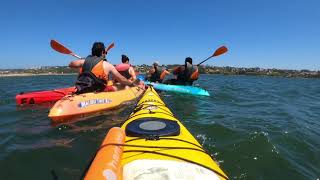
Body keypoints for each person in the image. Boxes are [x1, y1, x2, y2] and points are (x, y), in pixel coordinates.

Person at [68, 42, 138, 94]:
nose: (105, 54)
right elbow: (121, 79)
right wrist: (131, 84)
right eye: (105, 53)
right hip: (99, 90)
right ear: (102, 52)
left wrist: (84, 60)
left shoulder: (83, 62)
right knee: (121, 86)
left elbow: (71, 64)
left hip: (82, 89)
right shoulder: (108, 65)